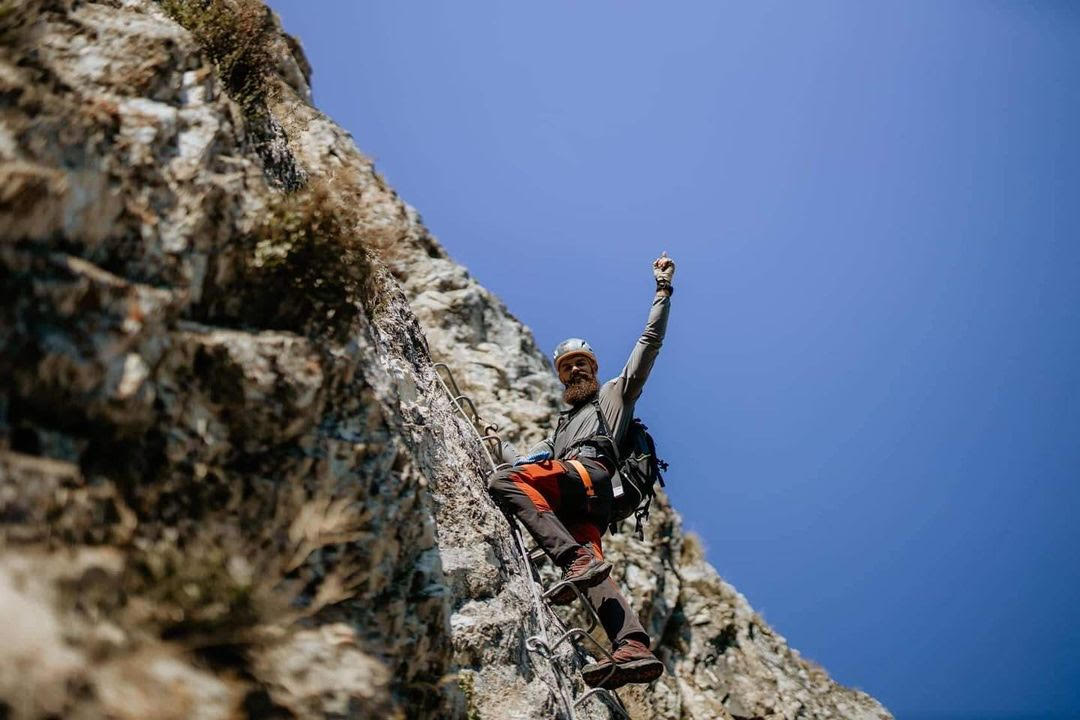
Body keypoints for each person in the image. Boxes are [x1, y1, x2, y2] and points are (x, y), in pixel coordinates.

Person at [487, 252, 675, 690]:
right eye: (567, 365)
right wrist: (498, 443)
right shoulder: (561, 427)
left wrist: (662, 289)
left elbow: (649, 342)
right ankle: (632, 646)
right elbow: (529, 461)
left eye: (582, 362)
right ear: (560, 376)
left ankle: (571, 559)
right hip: (584, 504)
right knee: (593, 575)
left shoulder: (615, 396)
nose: (575, 368)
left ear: (595, 367)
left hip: (590, 475)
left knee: (503, 483)